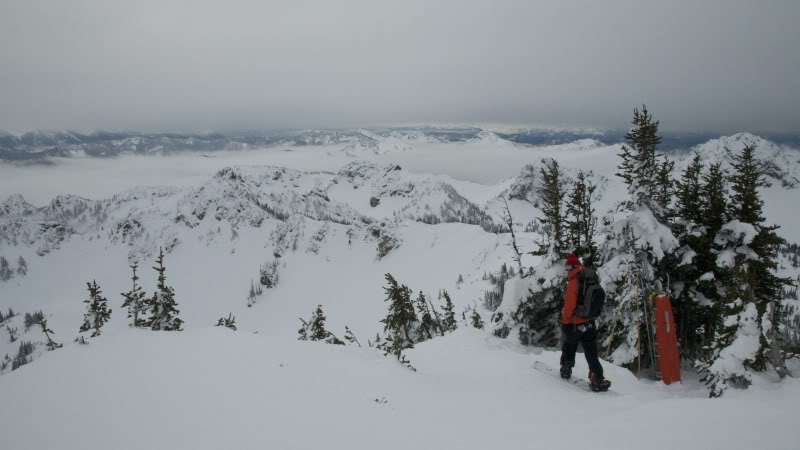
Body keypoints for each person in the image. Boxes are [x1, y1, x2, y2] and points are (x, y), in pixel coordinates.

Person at [560, 253, 611, 392]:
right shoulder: (590, 277)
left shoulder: (574, 280)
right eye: (566, 266)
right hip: (590, 321)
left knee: (569, 345)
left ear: (576, 266)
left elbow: (570, 304)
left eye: (569, 266)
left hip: (576, 322)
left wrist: (565, 322)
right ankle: (597, 379)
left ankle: (566, 368)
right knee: (591, 351)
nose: (567, 269)